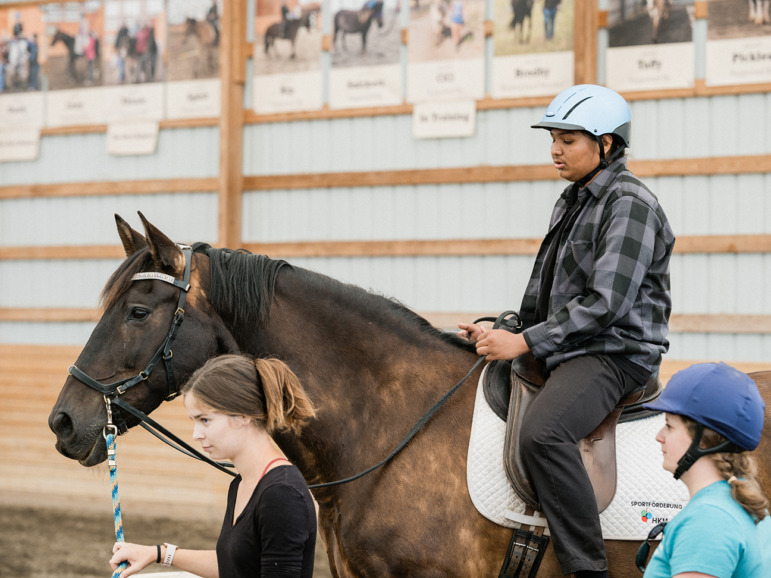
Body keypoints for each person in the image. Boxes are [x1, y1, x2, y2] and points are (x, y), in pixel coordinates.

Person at [458, 84, 675, 577]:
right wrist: (506, 327)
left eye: (568, 139)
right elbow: (546, 291)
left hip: (615, 352)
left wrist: (527, 342)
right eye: (553, 139)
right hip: (573, 345)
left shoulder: (630, 203)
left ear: (606, 145)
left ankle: (586, 567)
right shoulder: (572, 199)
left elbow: (606, 303)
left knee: (544, 432)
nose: (555, 150)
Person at [109, 354, 318, 578]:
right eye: (194, 421)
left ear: (242, 415)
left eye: (205, 420)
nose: (196, 435)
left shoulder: (282, 495)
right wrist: (157, 553)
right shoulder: (241, 484)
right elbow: (232, 564)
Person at [639, 362, 771, 577]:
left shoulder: (707, 522)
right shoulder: (740, 504)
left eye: (669, 426)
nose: (659, 436)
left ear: (704, 440)